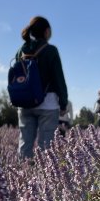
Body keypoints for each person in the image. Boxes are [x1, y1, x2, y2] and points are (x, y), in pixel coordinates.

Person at [15, 16, 68, 158]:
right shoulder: (51, 50)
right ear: (47, 31)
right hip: (47, 103)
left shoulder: (22, 50)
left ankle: (22, 177)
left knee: (25, 144)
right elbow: (58, 79)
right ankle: (44, 179)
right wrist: (63, 103)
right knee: (46, 147)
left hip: (24, 103)